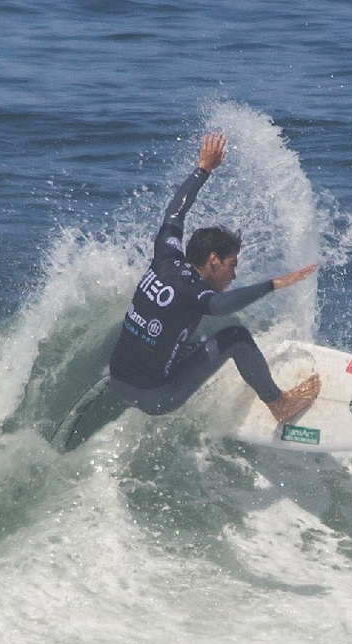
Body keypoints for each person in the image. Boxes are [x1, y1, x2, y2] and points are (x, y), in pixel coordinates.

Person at [54, 132, 319, 451]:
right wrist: (274, 284)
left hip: (118, 380)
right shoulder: (194, 293)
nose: (234, 274)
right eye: (232, 264)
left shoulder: (165, 256)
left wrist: (203, 169)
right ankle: (280, 404)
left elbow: (174, 214)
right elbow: (220, 305)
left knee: (179, 335)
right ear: (213, 260)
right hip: (157, 398)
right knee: (235, 337)